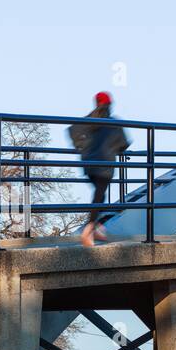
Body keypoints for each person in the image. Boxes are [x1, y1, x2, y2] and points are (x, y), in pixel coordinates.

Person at [69, 92, 130, 247]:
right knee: (99, 196)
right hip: (105, 165)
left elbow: (72, 130)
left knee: (99, 196)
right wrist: (115, 147)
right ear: (110, 105)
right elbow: (124, 143)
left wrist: (81, 146)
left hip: (88, 164)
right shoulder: (113, 123)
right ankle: (89, 229)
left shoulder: (88, 119)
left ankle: (95, 227)